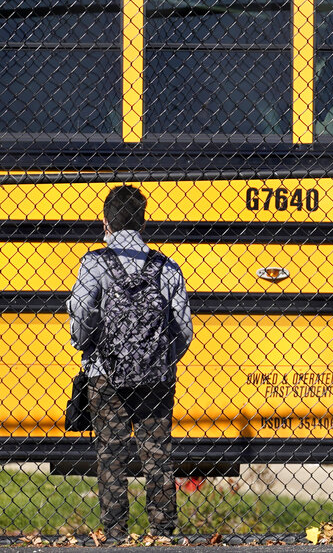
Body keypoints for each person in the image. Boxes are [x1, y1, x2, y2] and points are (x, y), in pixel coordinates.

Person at [68, 185, 193, 541]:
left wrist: (88, 347)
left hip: (104, 374)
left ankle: (115, 531)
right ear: (143, 222)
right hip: (156, 376)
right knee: (157, 455)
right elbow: (183, 328)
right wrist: (160, 359)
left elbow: (81, 311)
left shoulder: (94, 262)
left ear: (105, 222)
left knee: (111, 452)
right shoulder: (166, 267)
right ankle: (162, 529)